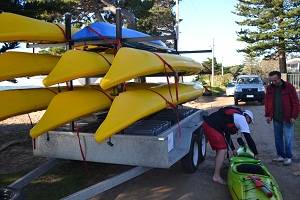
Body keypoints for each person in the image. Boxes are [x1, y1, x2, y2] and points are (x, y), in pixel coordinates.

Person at [202, 106, 258, 185]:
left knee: (221, 149)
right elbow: (248, 138)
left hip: (208, 124)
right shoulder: (242, 119)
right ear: (247, 117)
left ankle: (217, 169)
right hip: (211, 126)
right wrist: (255, 153)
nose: (248, 123)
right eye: (249, 121)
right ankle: (216, 176)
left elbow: (227, 134)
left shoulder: (235, 116)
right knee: (222, 150)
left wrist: (233, 149)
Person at [265, 71, 299, 166]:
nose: (273, 82)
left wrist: (294, 116)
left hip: (288, 118)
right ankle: (280, 155)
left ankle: (288, 157)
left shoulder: (289, 87)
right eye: (271, 81)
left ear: (280, 78)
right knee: (278, 138)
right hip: (276, 118)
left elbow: (295, 102)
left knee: (288, 138)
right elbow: (267, 102)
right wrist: (268, 115)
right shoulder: (269, 88)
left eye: (275, 80)